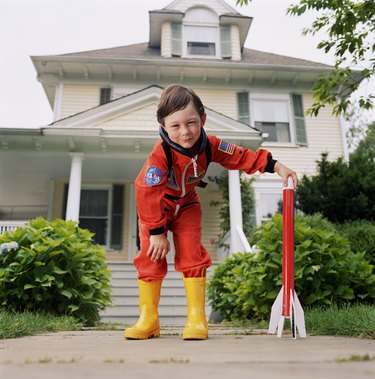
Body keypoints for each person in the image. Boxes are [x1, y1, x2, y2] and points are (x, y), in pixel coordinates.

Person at [124, 84, 298, 341]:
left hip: (187, 207)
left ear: (203, 119)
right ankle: (148, 318)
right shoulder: (160, 154)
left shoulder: (210, 145)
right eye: (176, 126)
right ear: (163, 125)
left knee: (193, 255)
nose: (185, 132)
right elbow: (146, 192)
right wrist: (157, 232)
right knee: (151, 258)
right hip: (157, 210)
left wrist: (276, 166)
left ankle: (196, 317)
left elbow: (241, 156)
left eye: (191, 122)